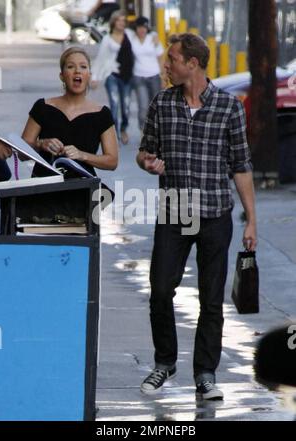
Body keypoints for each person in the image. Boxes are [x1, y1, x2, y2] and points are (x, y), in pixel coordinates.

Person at [136, 33, 257, 400]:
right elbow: (144, 151)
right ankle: (165, 363)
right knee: (160, 290)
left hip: (215, 214)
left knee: (211, 299)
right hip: (174, 211)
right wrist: (148, 163)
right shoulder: (162, 103)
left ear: (193, 63)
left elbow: (241, 166)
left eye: (172, 58)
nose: (166, 64)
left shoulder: (229, 107)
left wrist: (252, 220)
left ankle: (205, 373)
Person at [21, 46, 118, 179]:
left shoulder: (102, 114)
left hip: (82, 188)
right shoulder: (42, 107)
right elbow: (21, 153)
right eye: (71, 66)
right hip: (43, 187)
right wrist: (41, 144)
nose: (77, 71)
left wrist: (82, 155)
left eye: (83, 67)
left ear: (89, 75)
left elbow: (112, 161)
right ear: (62, 76)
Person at [91, 10, 134, 145]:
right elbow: (101, 58)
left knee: (126, 106)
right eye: (118, 20)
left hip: (127, 76)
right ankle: (114, 134)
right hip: (112, 75)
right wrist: (95, 76)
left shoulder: (130, 36)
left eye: (123, 20)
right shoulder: (107, 39)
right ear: (114, 22)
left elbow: (141, 47)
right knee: (114, 105)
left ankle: (123, 129)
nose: (121, 23)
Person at [127, 16, 165, 131]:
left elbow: (161, 57)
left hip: (154, 75)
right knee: (143, 106)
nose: (142, 30)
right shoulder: (131, 38)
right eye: (139, 27)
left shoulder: (153, 38)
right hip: (138, 76)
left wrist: (163, 76)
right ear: (136, 28)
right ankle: (143, 134)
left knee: (155, 106)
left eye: (144, 27)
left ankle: (156, 132)